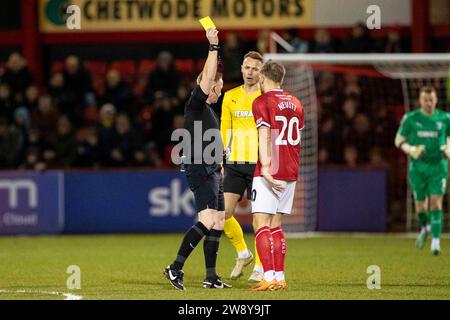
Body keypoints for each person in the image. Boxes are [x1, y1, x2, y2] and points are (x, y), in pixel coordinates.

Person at [164, 28, 231, 290]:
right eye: (219, 85)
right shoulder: (196, 104)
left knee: (219, 221)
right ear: (209, 84)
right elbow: (208, 75)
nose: (221, 90)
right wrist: (213, 46)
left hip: (214, 168)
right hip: (199, 167)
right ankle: (174, 268)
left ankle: (210, 276)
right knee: (207, 220)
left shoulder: (209, 113)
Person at [251, 61, 304, 291]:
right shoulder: (296, 102)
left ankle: (269, 276)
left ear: (263, 77)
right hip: (291, 168)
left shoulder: (261, 101)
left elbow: (264, 135)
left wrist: (265, 167)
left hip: (271, 169)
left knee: (260, 223)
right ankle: (280, 277)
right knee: (276, 225)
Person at [220, 51, 264, 281]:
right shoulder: (230, 96)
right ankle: (243, 252)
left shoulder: (265, 97)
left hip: (259, 164)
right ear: (241, 69)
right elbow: (224, 130)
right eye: (247, 67)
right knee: (222, 213)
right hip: (235, 163)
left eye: (255, 69)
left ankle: (260, 266)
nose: (250, 72)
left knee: (260, 218)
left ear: (261, 72)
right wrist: (221, 160)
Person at [395, 86, 450, 255]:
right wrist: (410, 149)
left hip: (438, 166)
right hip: (417, 168)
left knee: (435, 202)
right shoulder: (411, 119)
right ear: (420, 101)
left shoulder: (445, 118)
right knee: (420, 205)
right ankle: (425, 227)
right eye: (425, 100)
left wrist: (448, 148)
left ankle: (435, 242)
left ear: (436, 100)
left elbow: (448, 139)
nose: (428, 103)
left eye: (431, 100)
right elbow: (398, 140)